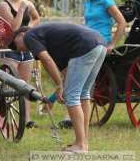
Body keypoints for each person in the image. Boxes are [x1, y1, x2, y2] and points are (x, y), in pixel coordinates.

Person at [13, 22, 107, 153]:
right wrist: (60, 87)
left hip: (85, 45)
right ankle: (83, 142)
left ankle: (80, 145)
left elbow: (47, 60)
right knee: (83, 94)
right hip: (100, 43)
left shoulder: (29, 35)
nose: (19, 50)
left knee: (72, 96)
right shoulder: (50, 40)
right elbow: (66, 71)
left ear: (21, 34)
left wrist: (59, 85)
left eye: (15, 44)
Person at [0, 0, 40, 129]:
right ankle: (7, 118)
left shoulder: (28, 3)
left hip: (26, 49)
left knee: (25, 85)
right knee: (9, 85)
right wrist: (22, 10)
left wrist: (29, 28)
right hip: (10, 50)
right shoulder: (4, 5)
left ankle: (27, 119)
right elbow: (13, 27)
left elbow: (37, 18)